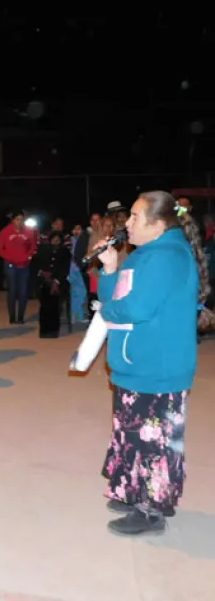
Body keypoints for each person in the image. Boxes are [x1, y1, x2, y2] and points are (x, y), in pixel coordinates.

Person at [97, 191, 215, 536]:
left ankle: (151, 510)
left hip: (158, 368)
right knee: (132, 435)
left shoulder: (167, 257)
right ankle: (132, 492)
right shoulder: (144, 255)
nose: (126, 223)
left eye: (135, 217)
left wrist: (106, 312)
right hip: (137, 363)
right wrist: (109, 269)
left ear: (159, 224)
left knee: (154, 442)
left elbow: (134, 308)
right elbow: (114, 295)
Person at [0, 210, 37, 324]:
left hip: (24, 265)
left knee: (23, 291)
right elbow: (0, 248)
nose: (19, 222)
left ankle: (21, 316)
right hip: (10, 265)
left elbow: (33, 246)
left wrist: (28, 257)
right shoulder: (5, 232)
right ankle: (12, 316)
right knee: (13, 290)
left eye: (21, 219)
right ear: (12, 220)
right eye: (17, 219)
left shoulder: (28, 232)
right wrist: (9, 258)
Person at [35, 231, 71, 338]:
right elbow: (36, 264)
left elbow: (65, 269)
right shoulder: (43, 250)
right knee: (45, 306)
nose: (56, 240)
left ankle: (53, 331)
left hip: (60, 283)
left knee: (55, 304)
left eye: (58, 239)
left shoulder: (65, 252)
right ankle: (44, 331)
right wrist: (42, 273)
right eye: (54, 238)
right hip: (44, 282)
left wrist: (56, 280)